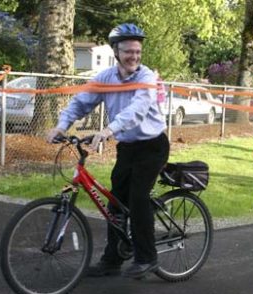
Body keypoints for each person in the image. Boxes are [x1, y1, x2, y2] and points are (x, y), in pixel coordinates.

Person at [46, 23, 170, 278]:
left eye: (137, 51)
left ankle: (147, 258)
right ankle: (112, 260)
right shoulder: (106, 78)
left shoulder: (146, 77)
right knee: (115, 202)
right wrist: (61, 126)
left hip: (152, 146)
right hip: (127, 148)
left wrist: (107, 131)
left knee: (138, 198)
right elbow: (81, 101)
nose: (134, 56)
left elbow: (136, 110)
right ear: (116, 52)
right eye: (128, 52)